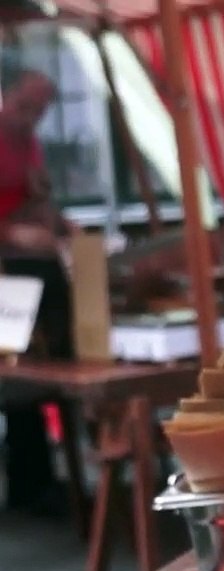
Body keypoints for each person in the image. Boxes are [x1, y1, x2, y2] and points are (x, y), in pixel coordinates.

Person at [0, 67, 70, 513]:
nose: (33, 117)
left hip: (34, 272)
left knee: (47, 370)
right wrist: (14, 235)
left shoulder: (30, 144)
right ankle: (29, 484)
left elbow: (37, 199)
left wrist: (60, 224)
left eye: (41, 110)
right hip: (7, 273)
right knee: (17, 379)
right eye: (26, 106)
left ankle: (39, 479)